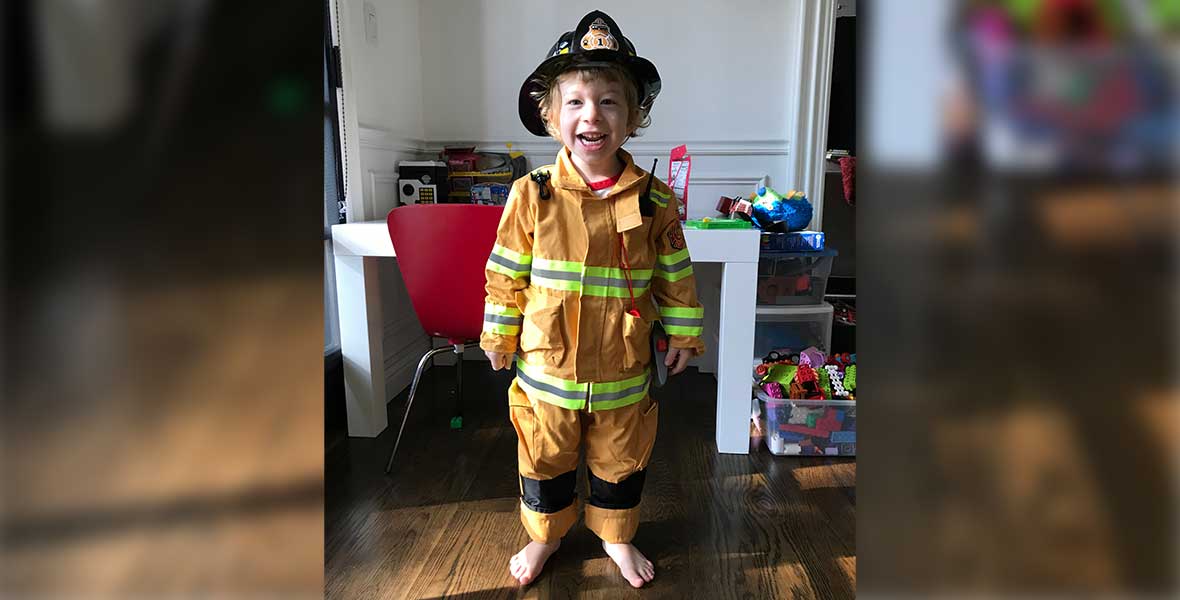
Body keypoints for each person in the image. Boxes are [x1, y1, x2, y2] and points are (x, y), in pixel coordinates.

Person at [479, 10, 706, 589]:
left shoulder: (656, 200)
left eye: (609, 102)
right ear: (551, 118)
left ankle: (616, 535)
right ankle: (545, 536)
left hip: (622, 371)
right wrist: (498, 334)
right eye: (575, 102)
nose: (592, 115)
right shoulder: (531, 195)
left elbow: (674, 274)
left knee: (621, 457)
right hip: (546, 369)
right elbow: (505, 272)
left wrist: (683, 333)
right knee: (545, 455)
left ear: (633, 118)